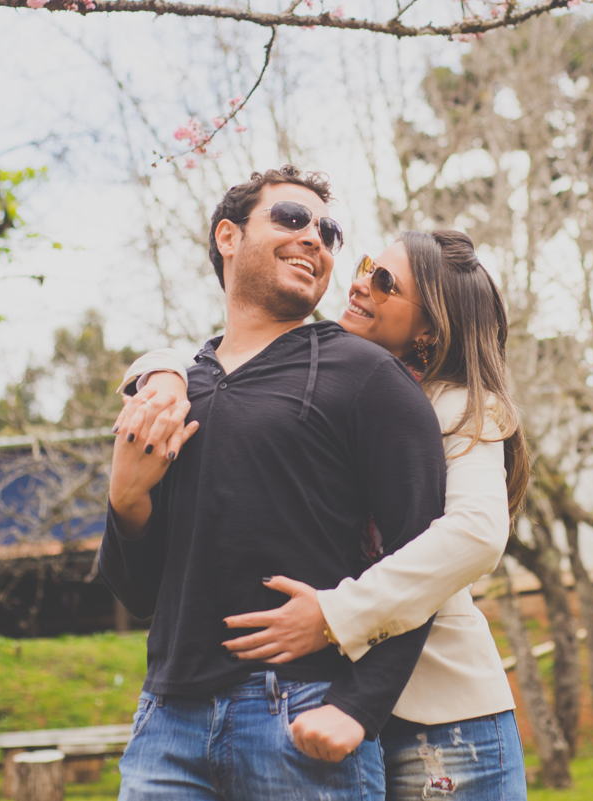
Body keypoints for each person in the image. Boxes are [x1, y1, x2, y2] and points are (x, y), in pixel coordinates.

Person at [120, 229, 529, 800]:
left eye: (385, 282)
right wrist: (160, 371)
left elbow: (476, 534)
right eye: (365, 266)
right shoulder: (326, 377)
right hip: (327, 705)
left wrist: (336, 615)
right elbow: (227, 354)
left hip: (438, 719)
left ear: (430, 329)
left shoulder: (458, 407)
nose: (360, 284)